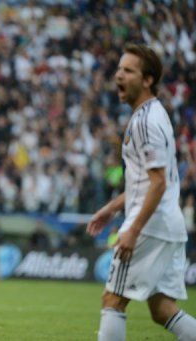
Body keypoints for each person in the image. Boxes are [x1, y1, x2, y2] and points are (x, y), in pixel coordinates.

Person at [87, 43, 196, 341]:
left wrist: (133, 229)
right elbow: (152, 181)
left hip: (149, 225)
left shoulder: (146, 122)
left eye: (128, 70)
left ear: (147, 79)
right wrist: (111, 208)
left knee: (113, 300)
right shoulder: (154, 115)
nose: (119, 75)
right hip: (168, 224)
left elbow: (158, 183)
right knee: (162, 308)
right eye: (119, 69)